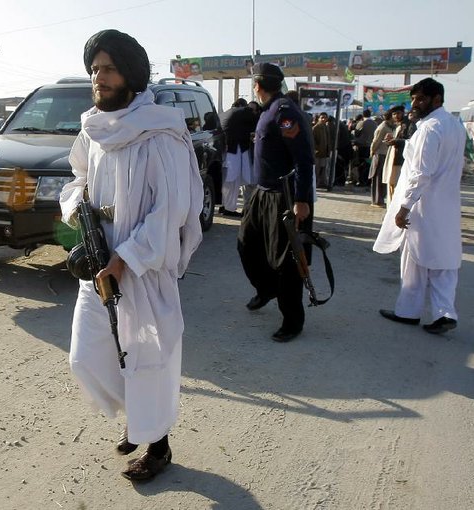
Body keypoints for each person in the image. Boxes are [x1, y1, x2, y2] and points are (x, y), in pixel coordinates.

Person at [59, 29, 204, 482]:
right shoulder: (94, 129)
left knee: (147, 361)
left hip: (140, 266)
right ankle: (138, 417)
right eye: (94, 70)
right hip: (99, 263)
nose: (98, 77)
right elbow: (76, 179)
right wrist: (77, 210)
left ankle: (157, 444)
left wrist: (124, 261)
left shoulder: (159, 132)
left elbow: (171, 211)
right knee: (86, 355)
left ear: (131, 74)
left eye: (107, 68)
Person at [373, 78, 466, 335]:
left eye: (421, 99)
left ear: (437, 100)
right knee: (443, 261)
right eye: (414, 98)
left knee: (414, 258)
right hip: (446, 206)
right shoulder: (455, 126)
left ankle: (411, 311)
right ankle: (441, 312)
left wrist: (404, 206)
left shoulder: (429, 129)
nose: (415, 104)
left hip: (423, 205)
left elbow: (421, 173)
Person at [237, 62, 314, 343]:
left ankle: (292, 321)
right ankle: (266, 288)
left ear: (257, 85)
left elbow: (304, 159)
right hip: (261, 193)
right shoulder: (267, 110)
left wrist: (302, 199)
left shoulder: (284, 112)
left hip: (284, 195)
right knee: (246, 244)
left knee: (287, 261)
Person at [219, 98, 257, 217]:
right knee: (233, 181)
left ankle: (224, 205)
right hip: (235, 151)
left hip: (226, 151)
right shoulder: (243, 111)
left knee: (226, 181)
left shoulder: (225, 113)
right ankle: (229, 208)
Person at [368, 110, 395, 206]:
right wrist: (372, 153)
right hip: (379, 154)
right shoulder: (383, 127)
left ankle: (380, 199)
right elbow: (376, 142)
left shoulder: (390, 126)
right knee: (377, 178)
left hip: (385, 154)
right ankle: (376, 200)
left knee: (382, 178)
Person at [381, 105, 407, 200]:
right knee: (391, 186)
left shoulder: (407, 125)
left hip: (399, 161)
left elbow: (410, 141)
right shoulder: (397, 126)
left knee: (396, 186)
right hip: (393, 159)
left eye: (398, 113)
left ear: (403, 113)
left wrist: (395, 141)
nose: (396, 116)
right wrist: (391, 140)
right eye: (394, 114)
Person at [352, 109, 377, 187]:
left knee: (361, 164)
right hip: (371, 146)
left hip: (362, 146)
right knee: (369, 164)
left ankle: (361, 181)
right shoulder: (375, 123)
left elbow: (356, 133)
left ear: (363, 115)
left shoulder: (361, 123)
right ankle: (368, 181)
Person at [312, 112, 332, 188]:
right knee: (317, 170)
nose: (323, 119)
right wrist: (316, 150)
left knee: (323, 169)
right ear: (319, 118)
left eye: (325, 117)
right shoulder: (315, 128)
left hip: (324, 153)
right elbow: (313, 141)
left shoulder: (326, 127)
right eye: (322, 117)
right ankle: (315, 184)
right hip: (318, 153)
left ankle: (322, 183)